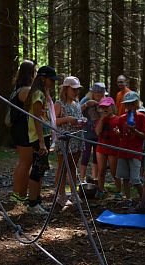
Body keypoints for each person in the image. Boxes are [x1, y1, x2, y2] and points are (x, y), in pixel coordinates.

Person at [25, 65, 59, 214]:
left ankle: (37, 200)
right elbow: (36, 118)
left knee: (41, 169)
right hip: (38, 137)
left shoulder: (42, 93)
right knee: (37, 169)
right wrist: (40, 142)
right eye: (51, 80)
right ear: (43, 78)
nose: (53, 83)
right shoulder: (38, 94)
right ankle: (32, 203)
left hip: (43, 136)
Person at [54, 76, 85, 207]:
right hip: (64, 140)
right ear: (66, 89)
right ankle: (60, 194)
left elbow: (78, 118)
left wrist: (82, 121)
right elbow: (54, 121)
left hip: (76, 139)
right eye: (74, 89)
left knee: (73, 166)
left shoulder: (77, 103)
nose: (76, 92)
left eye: (77, 89)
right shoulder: (59, 104)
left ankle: (73, 193)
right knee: (63, 168)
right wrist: (67, 119)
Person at [9, 60, 37, 203]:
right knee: (26, 162)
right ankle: (19, 194)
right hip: (23, 130)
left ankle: (18, 193)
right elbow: (35, 107)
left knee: (23, 162)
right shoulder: (25, 90)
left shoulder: (17, 88)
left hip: (19, 129)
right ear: (31, 73)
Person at [116, 91, 145, 207]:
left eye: (131, 104)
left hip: (135, 152)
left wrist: (134, 130)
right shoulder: (121, 118)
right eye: (126, 104)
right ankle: (128, 199)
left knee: (135, 179)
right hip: (123, 150)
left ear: (136, 104)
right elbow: (120, 134)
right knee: (125, 177)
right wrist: (118, 132)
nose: (128, 106)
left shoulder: (141, 117)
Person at [79, 82, 107, 183]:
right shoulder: (86, 100)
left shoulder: (105, 101)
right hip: (87, 133)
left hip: (99, 133)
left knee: (97, 156)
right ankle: (82, 179)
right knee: (85, 155)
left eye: (101, 95)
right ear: (92, 93)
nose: (99, 97)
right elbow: (77, 110)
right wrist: (86, 105)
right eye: (97, 95)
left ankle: (94, 178)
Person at [95, 97, 122, 200]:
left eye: (107, 106)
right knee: (101, 171)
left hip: (113, 148)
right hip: (101, 147)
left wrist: (119, 133)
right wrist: (102, 119)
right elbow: (97, 132)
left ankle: (119, 191)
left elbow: (122, 135)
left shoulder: (118, 119)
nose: (105, 109)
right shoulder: (100, 119)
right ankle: (101, 190)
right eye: (102, 107)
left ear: (112, 107)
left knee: (114, 171)